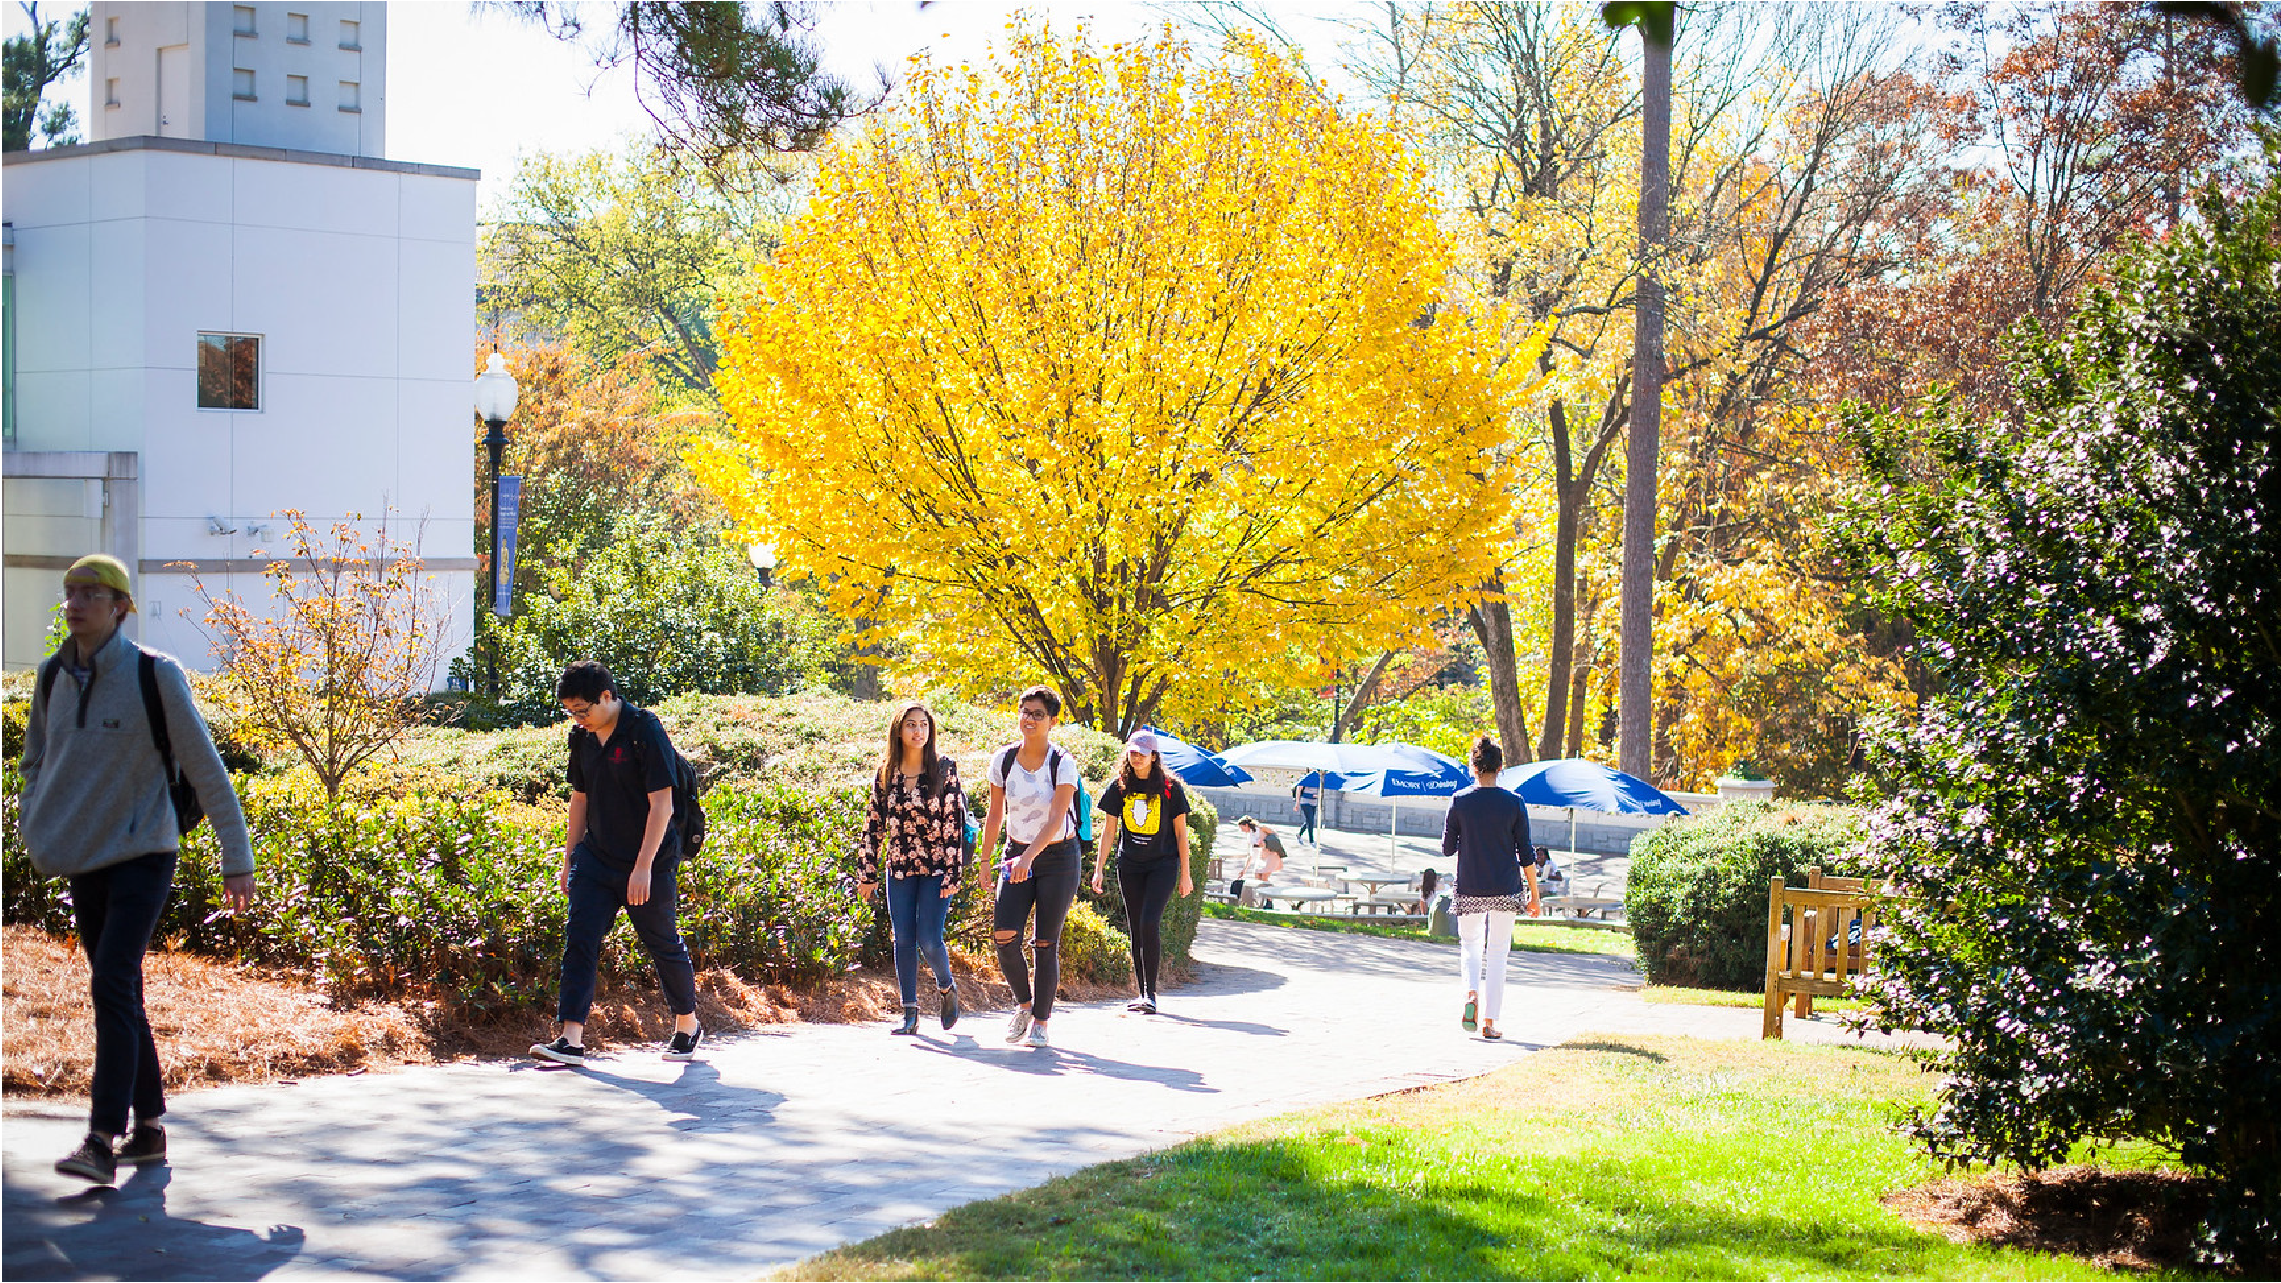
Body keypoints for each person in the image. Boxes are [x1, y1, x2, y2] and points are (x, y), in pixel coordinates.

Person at [20, 554, 257, 1185]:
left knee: (112, 982)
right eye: (70, 592)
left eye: (91, 593)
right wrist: (34, 825)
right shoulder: (51, 677)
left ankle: (102, 1139)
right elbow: (34, 764)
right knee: (120, 989)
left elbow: (208, 771)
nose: (75, 603)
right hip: (84, 856)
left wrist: (238, 860)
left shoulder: (156, 676)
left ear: (121, 606)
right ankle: (149, 1130)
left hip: (144, 855)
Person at [529, 661, 703, 1067]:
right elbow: (580, 799)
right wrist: (570, 858)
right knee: (580, 938)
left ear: (606, 697)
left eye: (582, 710)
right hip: (597, 856)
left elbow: (663, 804)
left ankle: (687, 1024)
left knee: (661, 941)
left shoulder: (644, 730)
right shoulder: (582, 738)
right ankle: (570, 1039)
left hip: (650, 858)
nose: (577, 718)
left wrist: (643, 867)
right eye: (570, 711)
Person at [977, 686, 1081, 1048]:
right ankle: (1024, 1005)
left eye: (1038, 714)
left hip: (1058, 858)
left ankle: (1041, 1020)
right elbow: (995, 815)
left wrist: (1028, 858)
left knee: (1044, 942)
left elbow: (1055, 819)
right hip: (1015, 852)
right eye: (1024, 712)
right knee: (1004, 937)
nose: (1029, 719)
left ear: (1052, 721)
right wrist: (986, 859)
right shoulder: (1003, 760)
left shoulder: (1062, 762)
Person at [856, 701, 968, 1036]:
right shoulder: (886, 772)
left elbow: (954, 823)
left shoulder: (944, 769)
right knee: (903, 938)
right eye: (911, 725)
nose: (918, 731)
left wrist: (953, 873)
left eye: (923, 725)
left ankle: (946, 988)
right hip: (900, 866)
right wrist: (867, 873)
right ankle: (909, 1013)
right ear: (899, 731)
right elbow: (874, 823)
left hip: (936, 867)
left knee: (930, 939)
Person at [1440, 736, 1540, 1040]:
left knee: (1470, 946)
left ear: (1473, 767)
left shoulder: (1460, 801)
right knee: (1498, 953)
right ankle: (1490, 1021)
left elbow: (1446, 849)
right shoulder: (1514, 802)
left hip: (1469, 885)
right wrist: (1534, 895)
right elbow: (1526, 853)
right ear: (1500, 767)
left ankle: (1471, 992)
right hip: (1506, 887)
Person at [1090, 731, 1193, 1014]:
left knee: (1149, 922)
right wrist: (1099, 869)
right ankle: (1142, 992)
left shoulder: (1170, 788)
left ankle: (1152, 993)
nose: (1136, 758)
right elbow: (1109, 831)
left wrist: (1186, 874)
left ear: (1154, 757)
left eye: (1141, 754)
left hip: (1162, 864)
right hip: (1130, 865)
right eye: (1132, 753)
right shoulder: (1120, 786)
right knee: (1136, 927)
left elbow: (1181, 834)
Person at [1229, 817, 1286, 905]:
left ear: (1246, 825)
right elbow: (1250, 854)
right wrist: (1244, 870)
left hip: (1271, 853)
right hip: (1262, 856)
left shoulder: (1261, 828)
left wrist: (1265, 842)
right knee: (1257, 876)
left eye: (1242, 828)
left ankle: (1269, 901)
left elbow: (1274, 835)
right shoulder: (1250, 837)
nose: (1241, 830)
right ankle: (1264, 899)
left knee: (1264, 877)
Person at [1292, 770, 1325, 847]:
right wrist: (1297, 803)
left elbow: (1320, 791)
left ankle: (1299, 834)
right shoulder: (1305, 778)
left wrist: (1318, 796)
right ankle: (1311, 841)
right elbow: (1298, 790)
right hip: (1305, 802)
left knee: (1308, 821)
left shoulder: (1319, 779)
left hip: (1314, 803)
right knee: (1311, 821)